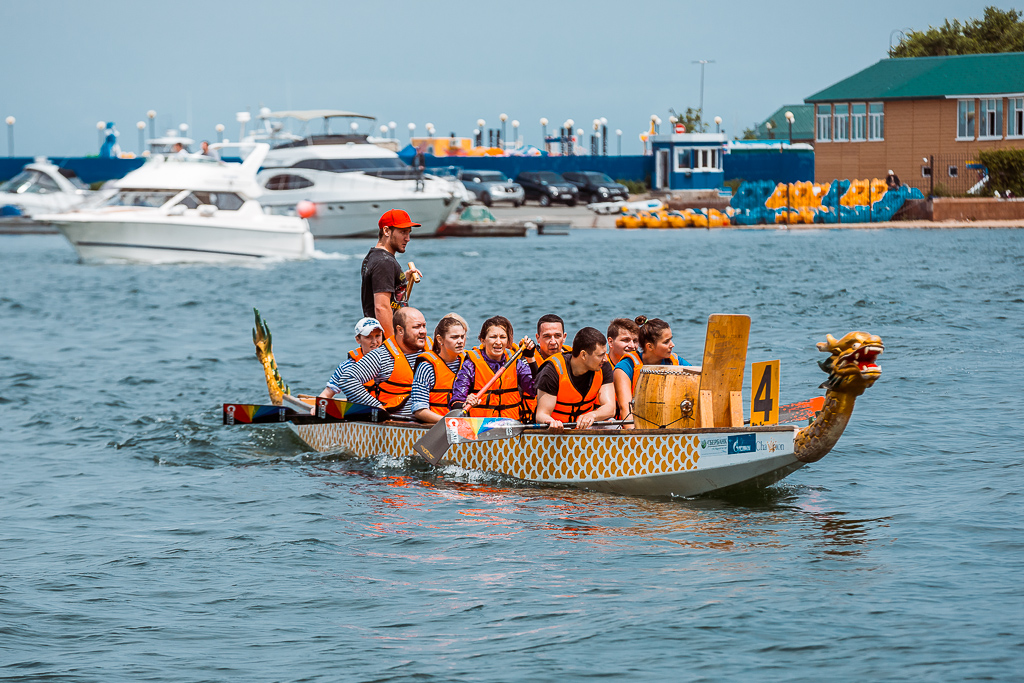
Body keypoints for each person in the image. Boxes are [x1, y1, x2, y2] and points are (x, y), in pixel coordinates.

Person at [336, 307, 428, 418]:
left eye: (424, 326)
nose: (423, 331)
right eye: (416, 327)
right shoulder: (381, 356)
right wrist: (377, 409)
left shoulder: (434, 349)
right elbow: (347, 380)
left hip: (437, 417)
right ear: (400, 330)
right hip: (401, 422)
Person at [450, 316, 537, 419]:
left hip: (510, 426)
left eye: (503, 337)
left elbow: (534, 390)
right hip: (480, 428)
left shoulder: (516, 363)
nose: (498, 342)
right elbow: (456, 402)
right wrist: (465, 403)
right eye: (493, 337)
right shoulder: (470, 365)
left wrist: (530, 358)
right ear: (483, 340)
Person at [534, 327, 616, 433]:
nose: (605, 358)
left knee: (613, 425)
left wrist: (592, 415)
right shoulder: (551, 371)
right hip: (559, 430)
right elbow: (541, 414)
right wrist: (552, 422)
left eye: (605, 353)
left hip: (585, 426)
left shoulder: (603, 366)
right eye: (600, 355)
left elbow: (610, 408)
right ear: (583, 355)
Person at [613, 316, 689, 429]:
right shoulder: (625, 367)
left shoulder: (676, 362)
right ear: (650, 346)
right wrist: (636, 440)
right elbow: (626, 410)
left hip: (670, 423)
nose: (672, 345)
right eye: (666, 342)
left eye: (671, 339)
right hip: (637, 428)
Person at [361, 209, 423, 338]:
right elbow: (381, 307)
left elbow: (383, 289)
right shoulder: (384, 262)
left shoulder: (375, 256)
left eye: (409, 233)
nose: (408, 238)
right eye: (403, 232)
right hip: (387, 341)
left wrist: (402, 278)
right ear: (386, 231)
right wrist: (392, 345)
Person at [410, 314, 468, 424]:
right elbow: (419, 410)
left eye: (462, 336)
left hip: (466, 424)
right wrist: (449, 422)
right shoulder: (427, 367)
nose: (460, 341)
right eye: (454, 337)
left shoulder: (468, 363)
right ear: (440, 339)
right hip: (436, 426)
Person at [317, 317, 385, 402]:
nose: (374, 342)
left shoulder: (391, 361)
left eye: (377, 336)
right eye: (368, 337)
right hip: (360, 412)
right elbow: (326, 394)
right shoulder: (347, 366)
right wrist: (317, 408)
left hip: (390, 410)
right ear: (358, 339)